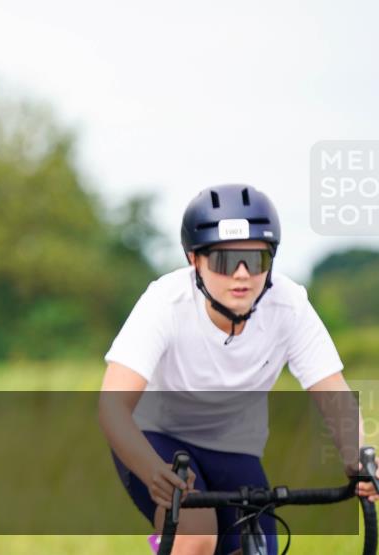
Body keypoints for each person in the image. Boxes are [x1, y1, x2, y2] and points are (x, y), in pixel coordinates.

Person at [99, 183, 377, 555]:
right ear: (194, 260)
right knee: (195, 532)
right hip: (157, 438)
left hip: (234, 447)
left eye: (257, 260)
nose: (243, 275)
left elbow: (333, 393)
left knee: (258, 547)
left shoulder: (289, 305)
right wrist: (152, 472)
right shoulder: (165, 302)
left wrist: (356, 455)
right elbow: (112, 406)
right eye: (226, 261)